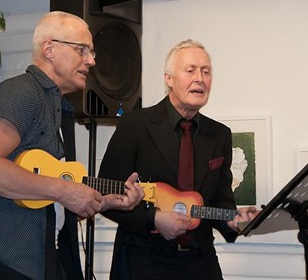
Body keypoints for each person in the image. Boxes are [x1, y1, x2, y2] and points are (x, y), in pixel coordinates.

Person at [0, 11, 145, 280]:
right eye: (82, 50)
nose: (91, 61)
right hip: (2, 266)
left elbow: (47, 200)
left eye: (90, 52)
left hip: (43, 262)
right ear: (49, 49)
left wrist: (103, 202)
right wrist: (65, 190)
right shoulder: (19, 93)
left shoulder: (59, 109)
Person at [99, 39, 260, 280]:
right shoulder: (135, 125)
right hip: (144, 261)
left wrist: (234, 221)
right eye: (190, 70)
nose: (200, 78)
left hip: (201, 261)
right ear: (169, 79)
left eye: (206, 71)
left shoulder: (220, 134)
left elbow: (221, 201)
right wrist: (154, 218)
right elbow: (104, 194)